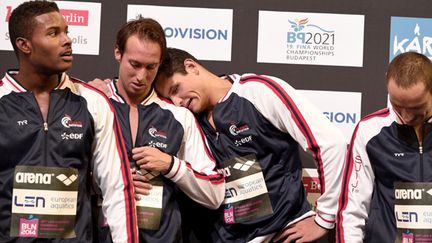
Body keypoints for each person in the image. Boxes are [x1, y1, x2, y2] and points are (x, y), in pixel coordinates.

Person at [154, 47, 347, 242]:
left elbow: (331, 143)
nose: (176, 102)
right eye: (169, 98)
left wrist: (325, 219)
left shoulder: (257, 91)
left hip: (283, 231)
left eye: (175, 89)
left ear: (191, 66)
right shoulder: (186, 120)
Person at [1, 1, 138, 242]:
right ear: (24, 45)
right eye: (53, 33)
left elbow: (117, 190)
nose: (67, 40)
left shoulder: (92, 102)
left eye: (66, 31)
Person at [89, 17, 225, 242]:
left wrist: (171, 165)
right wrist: (113, 180)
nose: (141, 77)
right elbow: (66, 174)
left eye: (151, 67)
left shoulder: (178, 116)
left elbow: (215, 194)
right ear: (117, 52)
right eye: (135, 64)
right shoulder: (92, 103)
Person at [337, 52, 432, 243]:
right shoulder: (370, 132)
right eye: (397, 105)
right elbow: (352, 211)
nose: (406, 116)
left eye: (416, 108)